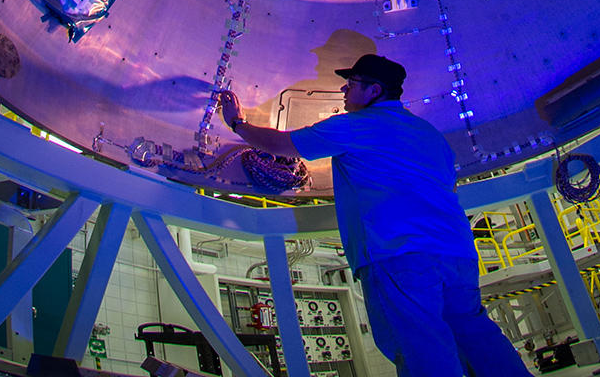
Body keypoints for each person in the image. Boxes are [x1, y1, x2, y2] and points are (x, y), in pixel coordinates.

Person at [219, 54, 533, 377]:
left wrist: (237, 123)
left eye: (351, 83)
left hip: (400, 255)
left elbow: (285, 145)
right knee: (477, 337)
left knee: (423, 349)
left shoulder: (356, 127)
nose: (344, 89)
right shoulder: (429, 134)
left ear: (374, 91)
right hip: (458, 255)